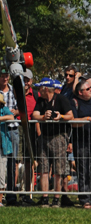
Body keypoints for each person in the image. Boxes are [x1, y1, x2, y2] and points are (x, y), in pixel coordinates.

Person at [32, 77, 74, 207]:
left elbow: (70, 115)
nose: (38, 90)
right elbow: (34, 115)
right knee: (44, 168)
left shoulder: (61, 99)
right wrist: (44, 117)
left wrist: (59, 116)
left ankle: (56, 199)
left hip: (58, 137)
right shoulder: (40, 100)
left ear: (45, 89)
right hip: (44, 137)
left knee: (58, 170)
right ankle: (45, 198)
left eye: (40, 88)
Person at [71, 78, 91, 208]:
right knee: (83, 170)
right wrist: (86, 119)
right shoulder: (74, 102)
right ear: (80, 92)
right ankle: (85, 199)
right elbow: (72, 121)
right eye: (88, 89)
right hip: (81, 141)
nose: (90, 91)